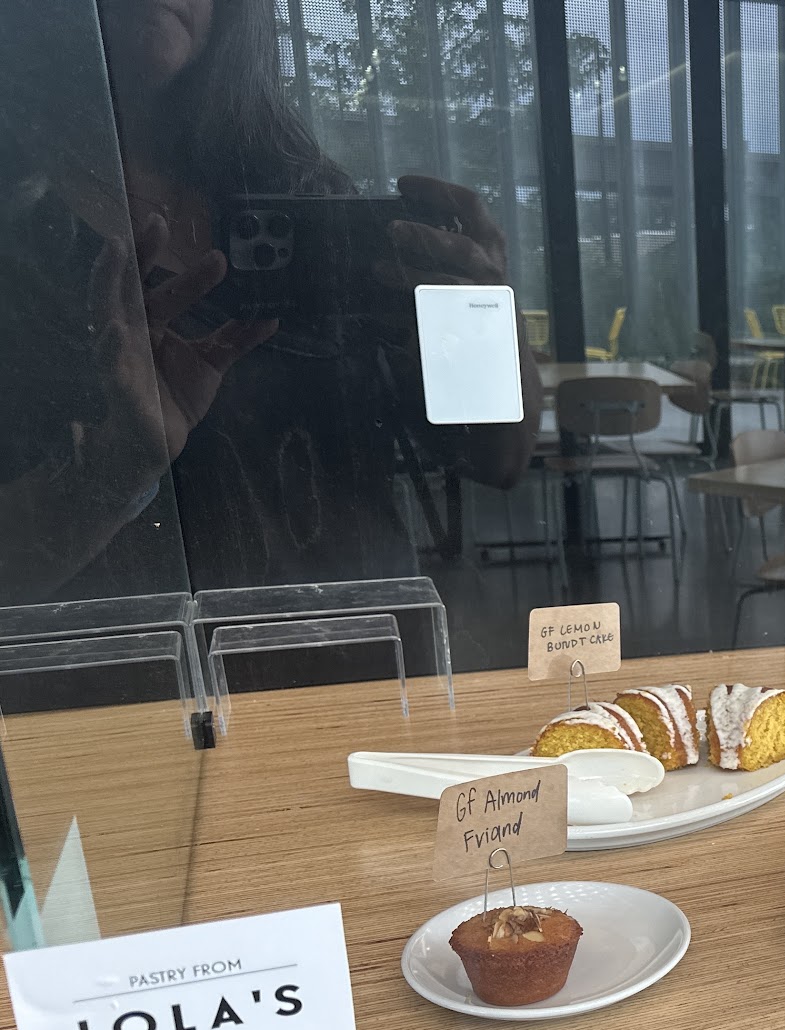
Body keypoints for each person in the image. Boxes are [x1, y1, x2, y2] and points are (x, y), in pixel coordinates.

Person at [0, 0, 541, 601]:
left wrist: (481, 317)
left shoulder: (308, 191)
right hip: (155, 655)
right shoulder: (18, 229)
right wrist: (113, 468)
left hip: (359, 639)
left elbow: (499, 457)